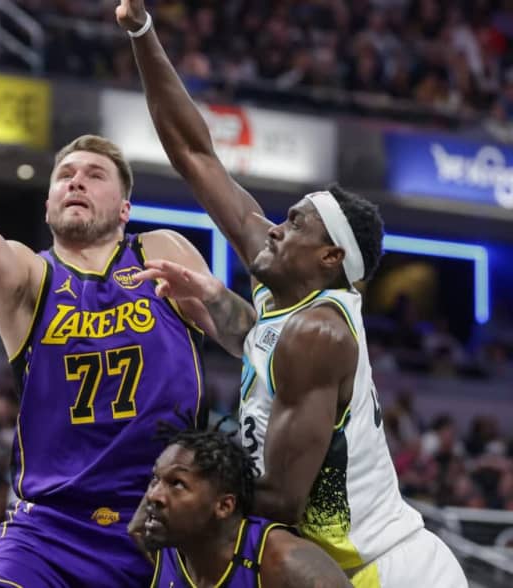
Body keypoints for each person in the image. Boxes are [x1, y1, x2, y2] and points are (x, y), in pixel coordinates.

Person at [0, 83, 252, 587]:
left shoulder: (161, 251)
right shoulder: (32, 277)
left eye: (94, 175)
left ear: (124, 209)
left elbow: (250, 342)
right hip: (51, 528)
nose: (76, 181)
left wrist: (212, 295)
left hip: (162, 521)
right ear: (48, 205)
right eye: (65, 175)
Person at [115, 1, 468, 586]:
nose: (276, 226)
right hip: (328, 566)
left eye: (298, 223)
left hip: (386, 570)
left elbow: (279, 498)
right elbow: (195, 154)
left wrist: (182, 499)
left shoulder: (318, 332)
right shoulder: (280, 279)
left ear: (330, 258)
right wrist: (141, 31)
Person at [144, 423, 350, 587]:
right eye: (155, 479)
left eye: (177, 484)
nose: (154, 496)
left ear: (224, 506)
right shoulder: (166, 544)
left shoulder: (286, 564)